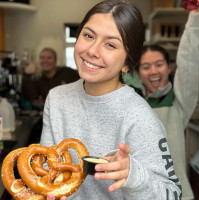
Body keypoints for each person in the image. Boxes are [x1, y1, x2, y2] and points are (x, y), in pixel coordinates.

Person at [41, 0, 182, 199]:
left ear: (126, 64)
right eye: (88, 35)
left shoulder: (140, 117)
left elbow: (172, 193)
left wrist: (134, 175)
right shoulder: (57, 98)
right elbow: (48, 166)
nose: (92, 51)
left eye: (110, 44)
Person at [123, 6, 199, 200]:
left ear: (168, 68)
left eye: (159, 65)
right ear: (138, 73)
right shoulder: (131, 103)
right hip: (138, 193)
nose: (153, 71)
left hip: (175, 194)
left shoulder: (177, 102)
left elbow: (190, 61)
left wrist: (195, 18)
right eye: (146, 67)